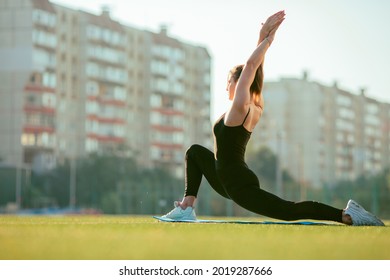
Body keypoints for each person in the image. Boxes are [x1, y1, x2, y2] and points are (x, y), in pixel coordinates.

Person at [161, 11, 384, 226]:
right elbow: (256, 71)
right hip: (225, 178)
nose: (225, 86)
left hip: (238, 184)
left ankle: (346, 214)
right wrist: (262, 37)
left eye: (229, 81)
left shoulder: (240, 106)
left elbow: (250, 66)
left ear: (238, 84)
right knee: (195, 152)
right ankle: (186, 208)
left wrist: (268, 40)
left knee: (288, 211)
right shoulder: (255, 104)